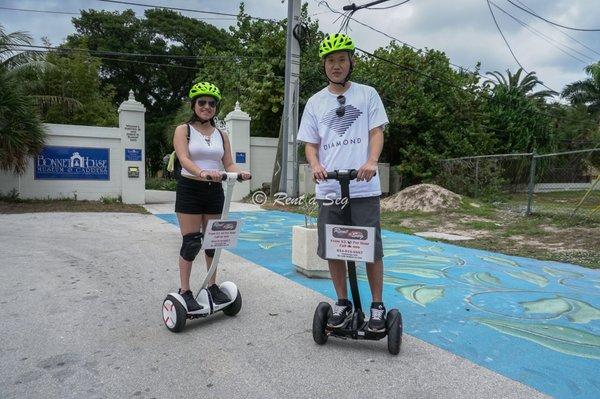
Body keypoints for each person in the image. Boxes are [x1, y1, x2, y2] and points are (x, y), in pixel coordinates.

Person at [297, 33, 389, 332]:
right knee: (334, 247)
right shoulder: (314, 102)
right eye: (330, 61)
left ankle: (376, 306)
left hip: (363, 186)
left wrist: (371, 162)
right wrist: (316, 165)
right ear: (323, 66)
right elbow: (310, 144)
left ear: (351, 62)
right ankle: (342, 302)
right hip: (329, 188)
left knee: (370, 248)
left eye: (341, 59)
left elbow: (376, 132)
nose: (335, 65)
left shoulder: (367, 94)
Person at [173, 81, 251, 311]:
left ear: (216, 107)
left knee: (213, 242)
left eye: (211, 103)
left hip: (215, 190)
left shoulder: (221, 134)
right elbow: (184, 159)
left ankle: (212, 286)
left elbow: (228, 163)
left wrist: (240, 172)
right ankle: (185, 290)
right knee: (191, 243)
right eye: (202, 102)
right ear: (194, 105)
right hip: (190, 189)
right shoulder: (183, 130)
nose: (207, 106)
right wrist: (202, 172)